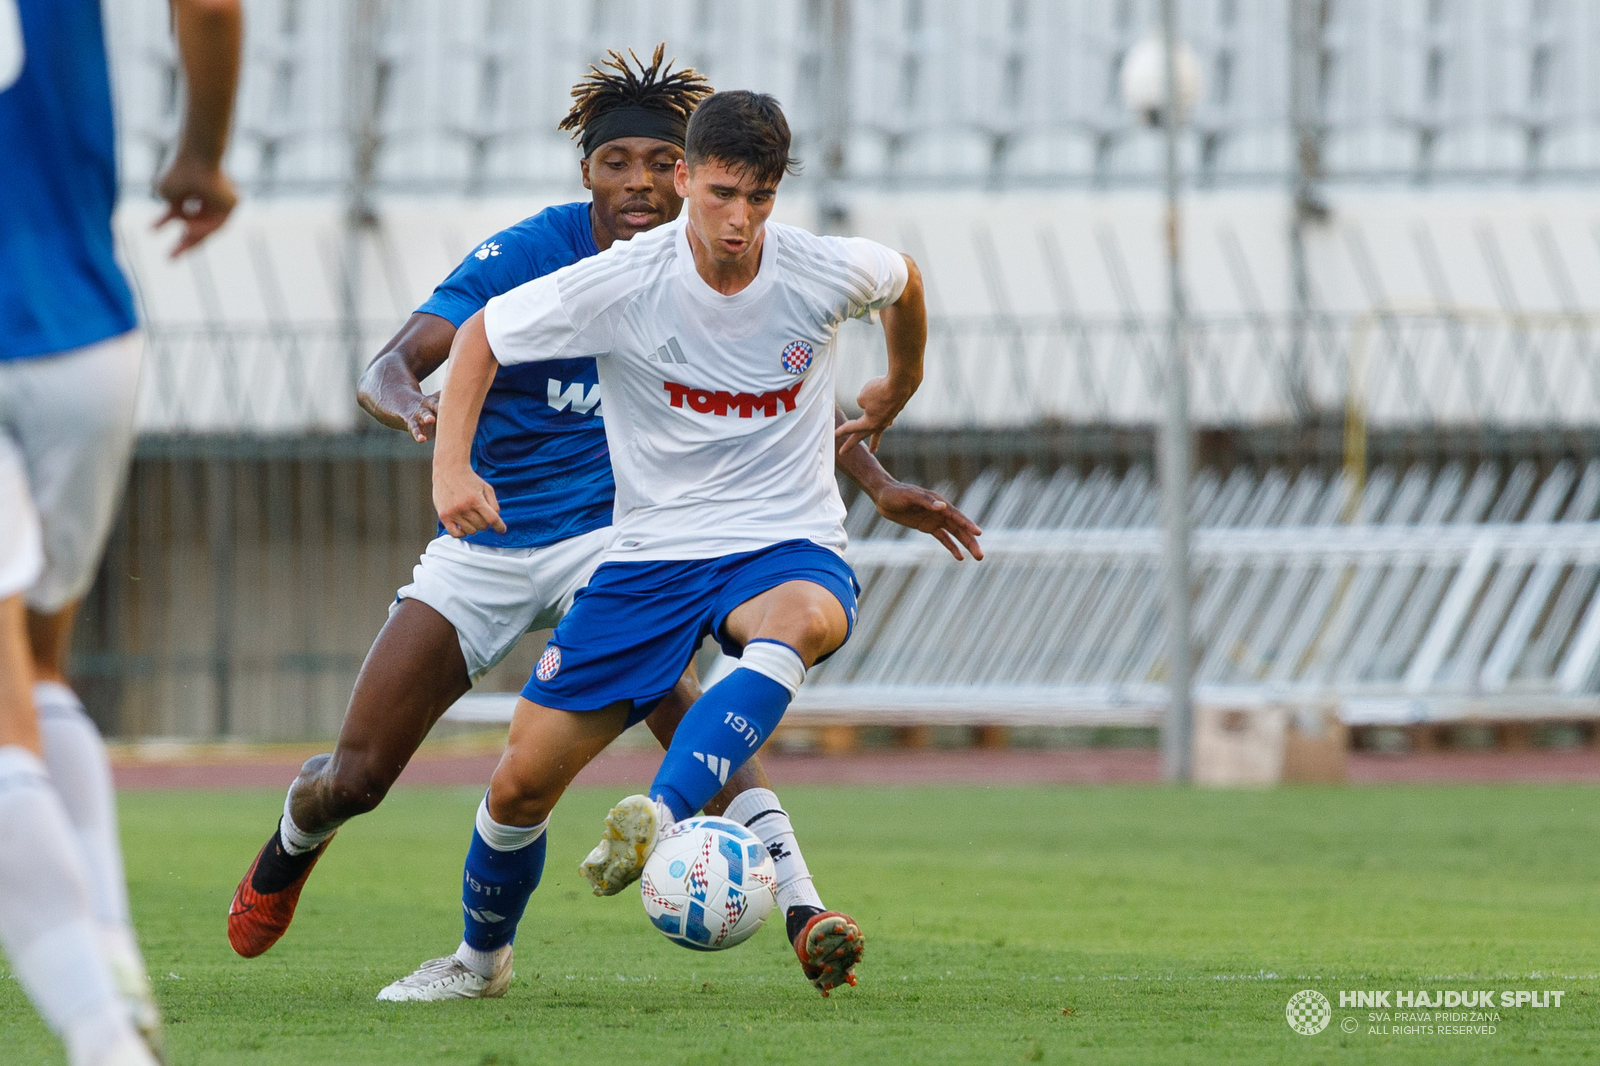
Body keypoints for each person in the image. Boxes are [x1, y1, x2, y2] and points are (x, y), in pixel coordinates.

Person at [228, 50, 981, 1000]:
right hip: (492, 542)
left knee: (688, 693)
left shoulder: (772, 262)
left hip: (618, 536)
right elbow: (426, 352)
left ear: (695, 172)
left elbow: (776, 391)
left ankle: (797, 902)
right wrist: (436, 441)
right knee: (368, 775)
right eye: (617, 161)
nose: (643, 182)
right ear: (588, 170)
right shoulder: (556, 264)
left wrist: (874, 465)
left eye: (661, 163)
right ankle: (304, 835)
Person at [383, 86, 932, 1002]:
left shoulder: (817, 270)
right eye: (722, 193)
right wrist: (450, 474)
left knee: (801, 618)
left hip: (781, 539)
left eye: (760, 198)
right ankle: (479, 966)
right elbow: (479, 336)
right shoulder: (626, 280)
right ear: (685, 178)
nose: (739, 220)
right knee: (520, 787)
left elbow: (904, 279)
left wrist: (897, 387)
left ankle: (661, 812)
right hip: (649, 559)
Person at [0, 0, 241, 1062]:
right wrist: (201, 155)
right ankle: (105, 939)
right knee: (38, 667)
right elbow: (213, 8)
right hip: (86, 334)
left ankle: (103, 1027)